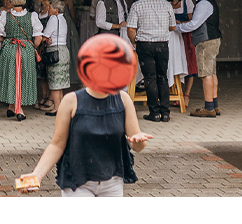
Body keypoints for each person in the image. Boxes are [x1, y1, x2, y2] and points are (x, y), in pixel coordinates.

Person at [17, 37, 152, 196]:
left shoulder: (124, 100)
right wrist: (37, 175)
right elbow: (57, 145)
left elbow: (137, 146)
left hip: (112, 182)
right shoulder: (71, 101)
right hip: (77, 183)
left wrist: (138, 141)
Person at [127, 0, 178, 122]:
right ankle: (165, 112)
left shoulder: (137, 5)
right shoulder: (166, 4)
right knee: (162, 77)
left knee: (150, 78)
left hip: (145, 44)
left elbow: (130, 28)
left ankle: (154, 112)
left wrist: (134, 42)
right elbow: (173, 26)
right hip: (162, 44)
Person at [0, 0, 43, 120]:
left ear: (12, 2)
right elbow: (38, 38)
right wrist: (32, 47)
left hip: (9, 49)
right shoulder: (32, 16)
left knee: (11, 77)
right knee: (22, 78)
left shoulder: (5, 15)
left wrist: (8, 42)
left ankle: (11, 107)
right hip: (26, 49)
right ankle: (18, 110)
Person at [177, 0, 222, 117]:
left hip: (205, 41)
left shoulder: (203, 3)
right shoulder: (208, 0)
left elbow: (194, 24)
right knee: (212, 73)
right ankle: (214, 106)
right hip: (213, 39)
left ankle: (208, 108)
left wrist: (176, 27)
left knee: (205, 74)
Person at [40, 0, 72, 115]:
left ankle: (57, 108)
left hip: (55, 52)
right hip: (64, 51)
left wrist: (44, 39)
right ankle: (62, 107)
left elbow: (45, 35)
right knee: (60, 82)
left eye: (51, 7)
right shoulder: (63, 19)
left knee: (54, 82)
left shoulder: (53, 19)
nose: (48, 9)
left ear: (56, 10)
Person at [168, 0, 198, 102]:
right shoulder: (167, 4)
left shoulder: (187, 2)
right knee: (175, 63)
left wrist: (180, 23)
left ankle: (186, 95)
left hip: (186, 36)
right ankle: (176, 92)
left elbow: (192, 21)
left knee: (188, 64)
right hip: (172, 38)